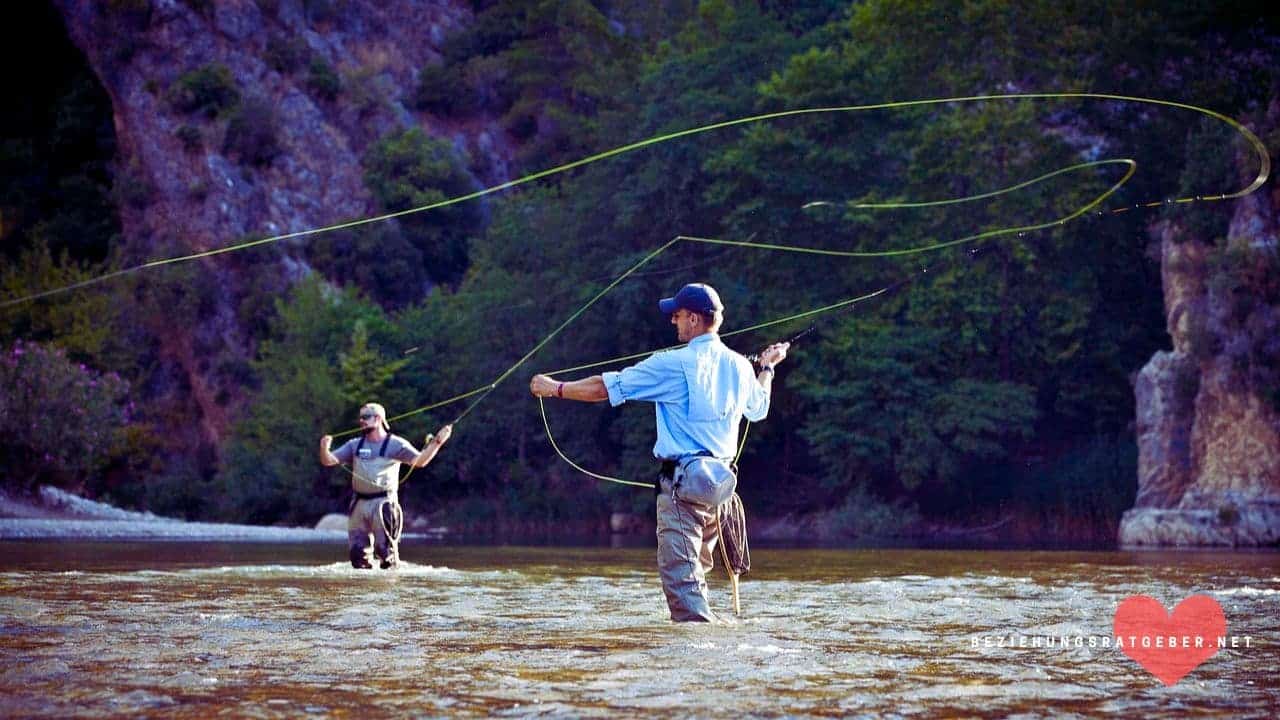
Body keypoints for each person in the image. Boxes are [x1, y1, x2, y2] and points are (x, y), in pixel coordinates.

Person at [530, 282, 788, 621]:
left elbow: (605, 388)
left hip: (683, 487)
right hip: (718, 492)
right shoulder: (741, 366)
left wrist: (555, 388)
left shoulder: (672, 363)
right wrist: (767, 369)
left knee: (683, 586)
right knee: (696, 577)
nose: (673, 322)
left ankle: (696, 658)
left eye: (678, 316)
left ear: (694, 320)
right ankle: (709, 650)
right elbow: (760, 408)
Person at [319, 403, 453, 569]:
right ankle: (361, 593)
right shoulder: (355, 444)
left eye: (366, 416)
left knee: (386, 555)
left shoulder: (395, 444)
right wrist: (324, 448)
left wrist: (438, 442)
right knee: (357, 557)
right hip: (359, 504)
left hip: (384, 504)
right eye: (360, 417)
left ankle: (389, 590)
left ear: (378, 418)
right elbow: (329, 460)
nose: (361, 421)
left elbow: (420, 461)